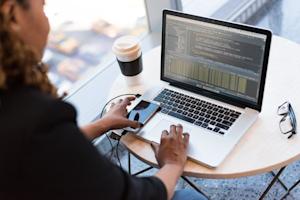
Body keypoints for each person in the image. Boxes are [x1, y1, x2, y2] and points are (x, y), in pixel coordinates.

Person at [0, 0, 207, 199]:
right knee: (190, 197)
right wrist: (172, 164)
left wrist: (102, 124)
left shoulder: (18, 115)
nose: (47, 22)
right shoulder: (37, 117)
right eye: (42, 6)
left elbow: (41, 148)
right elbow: (136, 196)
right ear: (13, 16)